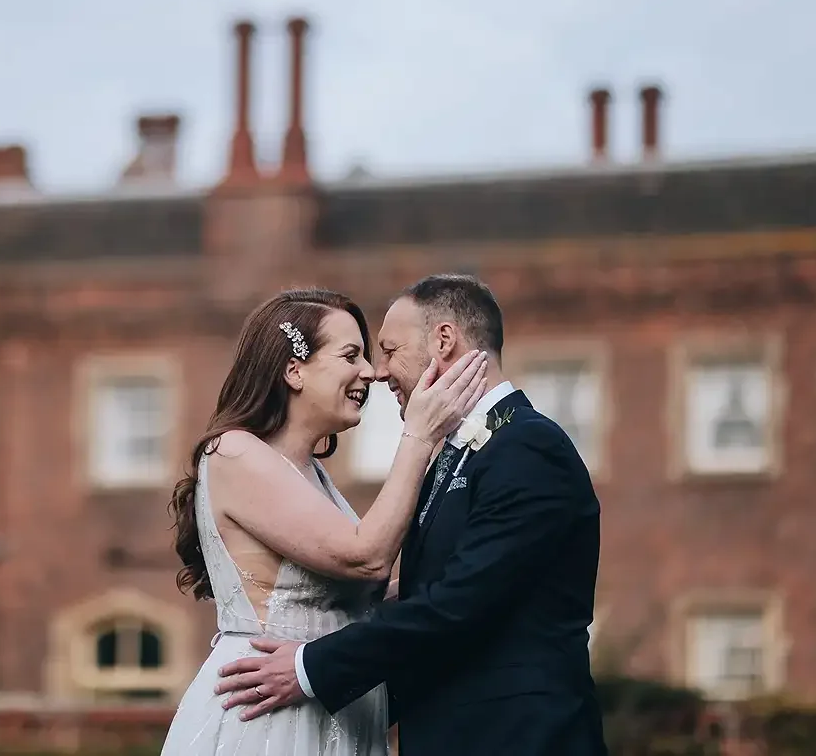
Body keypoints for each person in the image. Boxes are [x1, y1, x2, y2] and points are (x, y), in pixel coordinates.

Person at [214, 274, 607, 756]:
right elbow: (460, 584)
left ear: (443, 340)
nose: (378, 373)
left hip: (517, 737)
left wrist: (311, 667)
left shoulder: (528, 446)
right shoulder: (456, 455)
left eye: (389, 350)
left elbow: (459, 604)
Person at [159, 287, 490, 755]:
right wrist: (419, 435)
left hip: (331, 705)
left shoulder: (313, 474)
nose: (370, 372)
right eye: (351, 355)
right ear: (294, 370)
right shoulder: (232, 452)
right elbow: (365, 557)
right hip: (267, 712)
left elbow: (353, 595)